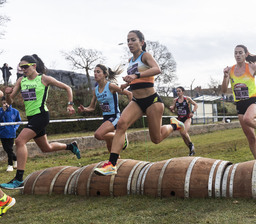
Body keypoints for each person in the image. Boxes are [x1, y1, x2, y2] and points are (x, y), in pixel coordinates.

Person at [94, 30, 188, 175]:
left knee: (156, 139)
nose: (130, 43)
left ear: (141, 42)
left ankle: (174, 125)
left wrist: (136, 75)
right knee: (121, 124)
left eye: (133, 40)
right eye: (128, 41)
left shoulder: (145, 56)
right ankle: (112, 164)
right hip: (137, 101)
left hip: (152, 101)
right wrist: (126, 85)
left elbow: (157, 69)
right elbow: (136, 79)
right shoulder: (130, 61)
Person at [0, 54, 80, 190]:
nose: (23, 69)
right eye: (21, 67)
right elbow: (9, 101)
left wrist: (70, 104)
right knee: (46, 148)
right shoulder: (21, 81)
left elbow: (68, 88)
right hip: (32, 117)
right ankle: (71, 146)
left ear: (34, 66)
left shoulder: (44, 79)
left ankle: (19, 179)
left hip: (41, 115)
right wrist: (7, 94)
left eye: (25, 66)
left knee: (19, 141)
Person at [221, 44, 256, 159]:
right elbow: (224, 90)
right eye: (235, 53)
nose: (238, 55)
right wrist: (225, 76)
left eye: (240, 52)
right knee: (251, 138)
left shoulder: (252, 67)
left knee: (248, 119)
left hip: (253, 101)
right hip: (240, 105)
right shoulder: (230, 70)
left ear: (246, 54)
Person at [78, 64, 133, 152]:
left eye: (98, 72)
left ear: (105, 74)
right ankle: (114, 162)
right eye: (94, 72)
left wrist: (130, 111)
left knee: (98, 135)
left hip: (115, 116)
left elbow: (129, 94)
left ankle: (121, 136)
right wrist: (84, 109)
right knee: (109, 146)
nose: (95, 74)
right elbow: (92, 107)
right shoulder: (95, 90)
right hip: (106, 118)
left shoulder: (111, 86)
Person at [169, 86, 198, 156]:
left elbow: (196, 105)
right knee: (182, 135)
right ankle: (191, 151)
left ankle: (191, 144)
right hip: (180, 119)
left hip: (187, 118)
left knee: (184, 132)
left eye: (179, 91)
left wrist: (192, 112)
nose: (178, 92)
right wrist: (172, 108)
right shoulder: (175, 100)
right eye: (177, 91)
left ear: (182, 92)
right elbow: (173, 109)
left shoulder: (187, 99)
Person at [0, 97, 21, 172]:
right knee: (7, 149)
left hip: (11, 133)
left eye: (6, 102)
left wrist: (15, 128)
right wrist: (3, 112)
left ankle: (10, 165)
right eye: (3, 102)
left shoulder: (15, 111)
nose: (5, 104)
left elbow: (18, 121)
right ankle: (16, 159)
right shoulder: (0, 110)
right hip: (2, 133)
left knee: (9, 149)